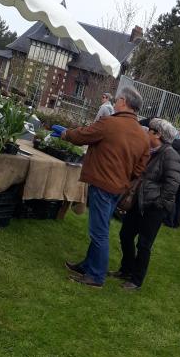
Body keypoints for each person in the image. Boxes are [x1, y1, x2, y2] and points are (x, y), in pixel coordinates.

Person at [62, 86, 150, 288]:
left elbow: (83, 135)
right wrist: (126, 180)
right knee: (101, 228)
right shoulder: (143, 135)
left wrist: (66, 134)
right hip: (119, 188)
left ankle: (96, 276)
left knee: (99, 232)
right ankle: (88, 266)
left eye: (118, 99)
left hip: (103, 185)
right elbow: (140, 168)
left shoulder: (111, 123)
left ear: (124, 103)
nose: (116, 102)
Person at [112, 119, 180, 290]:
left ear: (158, 134)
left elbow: (171, 186)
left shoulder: (171, 155)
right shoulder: (149, 150)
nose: (146, 132)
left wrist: (157, 204)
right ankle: (126, 269)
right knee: (125, 235)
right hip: (138, 202)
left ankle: (136, 280)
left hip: (153, 208)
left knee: (144, 244)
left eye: (149, 130)